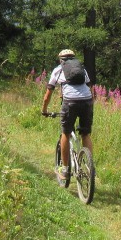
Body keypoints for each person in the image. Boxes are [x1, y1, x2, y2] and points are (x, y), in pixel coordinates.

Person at [41, 48, 93, 183]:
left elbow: (47, 95)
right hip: (87, 100)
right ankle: (89, 166)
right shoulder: (82, 69)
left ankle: (65, 169)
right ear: (74, 58)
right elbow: (87, 86)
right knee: (85, 134)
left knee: (66, 133)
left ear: (61, 59)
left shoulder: (58, 69)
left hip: (70, 102)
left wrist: (44, 110)